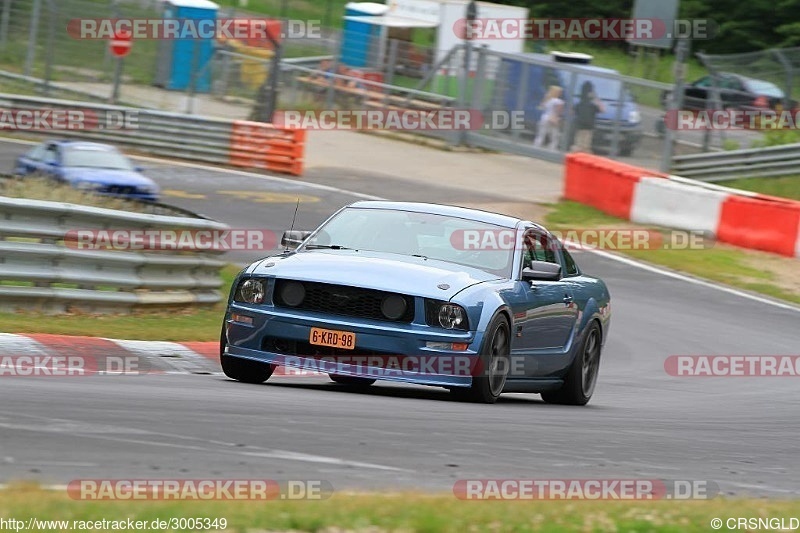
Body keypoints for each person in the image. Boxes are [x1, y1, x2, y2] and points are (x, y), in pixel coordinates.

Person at [572, 81, 606, 152]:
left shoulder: (581, 104)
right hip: (587, 127)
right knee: (584, 147)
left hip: (582, 127)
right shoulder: (591, 105)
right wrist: (596, 98)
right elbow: (602, 110)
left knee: (580, 146)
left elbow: (572, 112)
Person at [533, 85, 564, 150]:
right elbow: (558, 112)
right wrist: (557, 119)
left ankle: (535, 148)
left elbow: (542, 107)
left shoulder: (547, 99)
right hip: (552, 118)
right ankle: (551, 150)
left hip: (544, 117)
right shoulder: (559, 101)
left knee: (541, 135)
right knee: (554, 137)